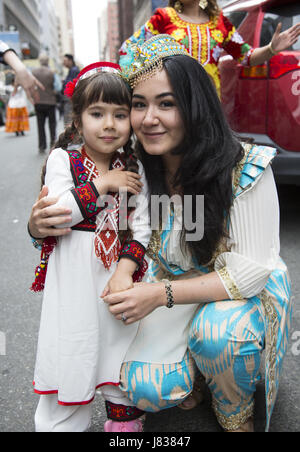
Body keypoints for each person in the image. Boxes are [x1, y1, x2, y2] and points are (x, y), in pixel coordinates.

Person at [28, 36, 292, 433]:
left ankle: (234, 410)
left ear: (194, 105)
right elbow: (94, 226)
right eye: (139, 105)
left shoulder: (244, 166)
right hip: (170, 288)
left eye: (166, 103)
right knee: (142, 386)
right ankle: (196, 371)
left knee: (220, 335)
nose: (149, 118)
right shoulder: (136, 164)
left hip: (237, 297)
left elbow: (251, 273)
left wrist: (157, 295)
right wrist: (37, 227)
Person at [30, 62, 152, 432]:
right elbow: (59, 215)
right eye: (97, 113)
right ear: (78, 119)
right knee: (74, 347)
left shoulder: (135, 166)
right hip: (72, 279)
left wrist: (125, 270)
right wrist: (103, 184)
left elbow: (142, 225)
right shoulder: (62, 160)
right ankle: (62, 423)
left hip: (116, 276)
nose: (110, 124)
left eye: (119, 114)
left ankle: (124, 425)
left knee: (120, 346)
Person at [119, 0, 300, 96]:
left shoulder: (219, 22)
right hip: (174, 98)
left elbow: (247, 57)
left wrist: (272, 48)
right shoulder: (164, 17)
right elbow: (128, 49)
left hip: (210, 100)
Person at [32, 54, 59, 152]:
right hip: (50, 102)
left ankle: (41, 146)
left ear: (39, 61)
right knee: (52, 124)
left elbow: (32, 87)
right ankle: (53, 143)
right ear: (48, 61)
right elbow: (58, 87)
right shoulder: (52, 73)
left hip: (38, 102)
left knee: (40, 125)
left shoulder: (33, 72)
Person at [62, 54, 80, 126]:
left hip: (70, 99)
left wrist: (64, 82)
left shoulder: (74, 70)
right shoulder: (72, 70)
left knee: (69, 120)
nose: (63, 63)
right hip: (70, 99)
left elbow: (71, 84)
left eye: (65, 61)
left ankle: (69, 136)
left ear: (70, 61)